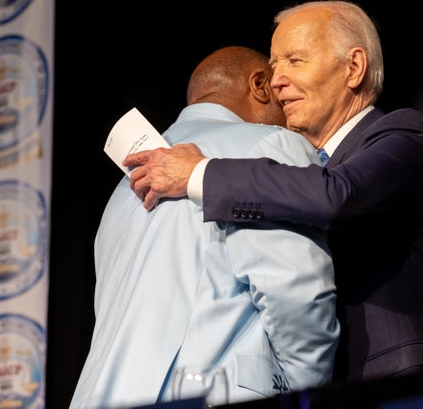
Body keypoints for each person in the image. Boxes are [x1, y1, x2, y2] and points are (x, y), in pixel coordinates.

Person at [124, 0, 423, 383]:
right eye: (273, 66)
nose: (276, 81)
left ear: (353, 68)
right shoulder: (298, 170)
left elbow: (337, 197)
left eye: (294, 61)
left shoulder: (404, 134)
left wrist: (200, 173)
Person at [70, 46, 340, 408]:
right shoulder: (269, 145)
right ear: (259, 86)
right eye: (282, 99)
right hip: (207, 395)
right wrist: (307, 391)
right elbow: (295, 291)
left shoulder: (121, 193)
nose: (291, 120)